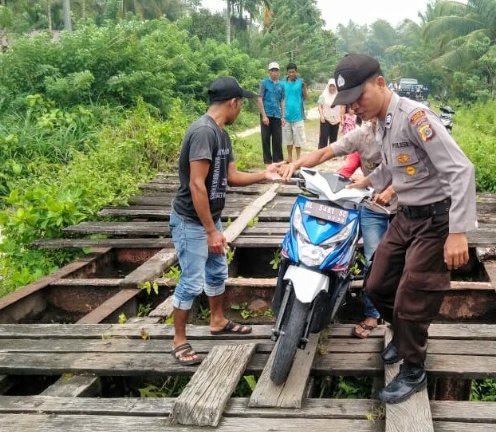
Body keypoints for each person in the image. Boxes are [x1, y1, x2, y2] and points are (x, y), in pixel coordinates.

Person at [332, 54, 477, 404]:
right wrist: (358, 186)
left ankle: (414, 369)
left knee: (413, 294)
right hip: (406, 215)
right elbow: (392, 169)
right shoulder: (380, 123)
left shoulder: (415, 117)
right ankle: (401, 335)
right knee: (377, 284)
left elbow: (461, 170)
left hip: (436, 219)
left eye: (358, 98)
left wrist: (457, 232)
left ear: (380, 83)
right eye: (348, 103)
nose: (354, 108)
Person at [169, 76, 283, 366]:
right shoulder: (203, 132)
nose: (240, 110)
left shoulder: (222, 135)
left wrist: (264, 174)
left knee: (217, 272)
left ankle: (217, 321)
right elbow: (196, 184)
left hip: (211, 219)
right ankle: (179, 339)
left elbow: (231, 177)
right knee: (191, 282)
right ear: (232, 103)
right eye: (240, 104)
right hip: (190, 221)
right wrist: (209, 230)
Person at [278, 119, 395, 340]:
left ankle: (399, 316)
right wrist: (296, 165)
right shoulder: (361, 135)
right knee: (373, 260)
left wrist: (391, 190)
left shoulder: (402, 134)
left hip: (407, 208)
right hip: (373, 207)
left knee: (407, 265)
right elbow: (326, 153)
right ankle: (373, 313)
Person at [258, 61, 285, 165]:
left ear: (279, 72)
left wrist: (283, 116)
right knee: (265, 138)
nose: (274, 73)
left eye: (276, 70)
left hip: (277, 114)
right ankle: (268, 162)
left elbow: (282, 101)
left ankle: (278, 161)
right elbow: (260, 99)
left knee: (277, 138)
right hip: (267, 114)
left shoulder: (281, 85)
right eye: (272, 70)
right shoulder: (264, 83)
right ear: (269, 71)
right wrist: (264, 116)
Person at [281, 62, 308, 163]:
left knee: (298, 138)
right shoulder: (282, 83)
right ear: (287, 72)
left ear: (296, 72)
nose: (291, 74)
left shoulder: (300, 83)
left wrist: (304, 88)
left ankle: (298, 158)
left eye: (293, 72)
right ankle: (289, 157)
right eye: (290, 72)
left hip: (298, 115)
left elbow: (304, 97)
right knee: (288, 138)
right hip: (286, 115)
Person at [317, 78, 344, 149]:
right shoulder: (322, 95)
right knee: (324, 136)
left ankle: (332, 153)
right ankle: (321, 151)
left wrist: (342, 119)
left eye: (334, 86)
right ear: (328, 86)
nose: (332, 88)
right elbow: (319, 106)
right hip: (325, 118)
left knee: (334, 137)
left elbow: (342, 107)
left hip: (336, 119)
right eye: (330, 86)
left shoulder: (339, 96)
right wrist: (322, 116)